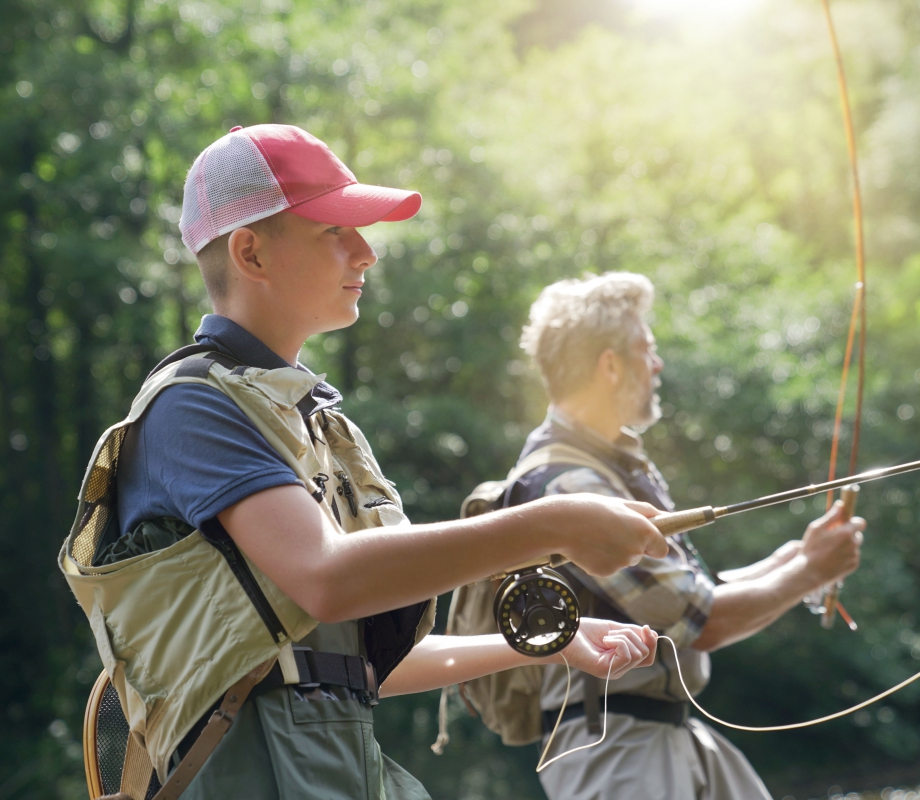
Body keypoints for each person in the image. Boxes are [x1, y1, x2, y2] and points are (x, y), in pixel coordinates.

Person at [59, 125, 666, 800]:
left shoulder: (318, 422)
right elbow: (327, 579)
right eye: (334, 231)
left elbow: (365, 661)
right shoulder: (192, 406)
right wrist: (554, 524)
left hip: (339, 771)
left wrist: (552, 640)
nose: (366, 252)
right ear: (251, 252)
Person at [504, 272, 866, 800]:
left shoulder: (610, 467)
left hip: (666, 733)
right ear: (610, 365)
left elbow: (692, 593)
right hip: (614, 749)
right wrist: (812, 571)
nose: (657, 364)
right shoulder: (569, 482)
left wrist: (797, 559)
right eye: (646, 349)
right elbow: (702, 620)